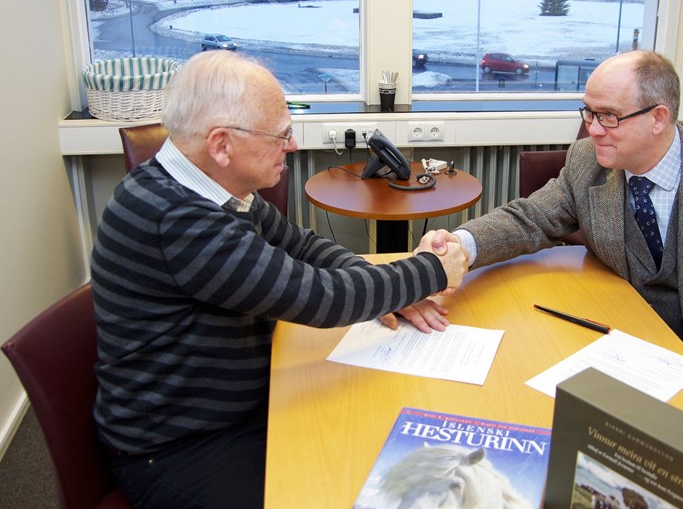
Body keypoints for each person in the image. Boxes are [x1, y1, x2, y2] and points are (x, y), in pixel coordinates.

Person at [90, 50, 468, 509]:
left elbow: (302, 246)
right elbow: (318, 299)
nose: (291, 146)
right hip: (180, 447)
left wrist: (381, 284)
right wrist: (428, 271)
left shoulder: (211, 187)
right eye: (280, 135)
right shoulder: (177, 219)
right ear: (221, 144)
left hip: (238, 406)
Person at [434, 50, 683, 468]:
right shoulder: (587, 163)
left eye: (609, 116)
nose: (593, 130)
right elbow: (531, 217)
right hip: (634, 350)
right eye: (589, 113)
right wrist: (459, 245)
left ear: (658, 117)